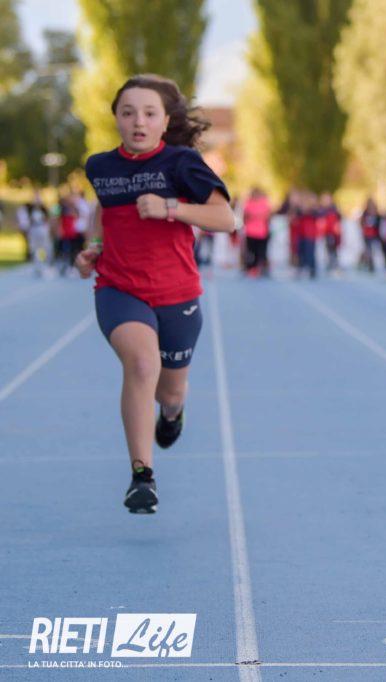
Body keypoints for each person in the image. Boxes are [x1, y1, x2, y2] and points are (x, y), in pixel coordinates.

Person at [75, 74, 234, 514]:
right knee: (142, 364)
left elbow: (226, 219)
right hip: (119, 288)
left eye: (149, 113)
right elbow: (103, 211)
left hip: (176, 293)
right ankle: (141, 477)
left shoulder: (182, 163)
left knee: (170, 393)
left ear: (165, 121)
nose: (138, 122)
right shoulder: (101, 167)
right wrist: (94, 247)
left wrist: (170, 208)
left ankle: (172, 415)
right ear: (116, 119)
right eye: (128, 113)